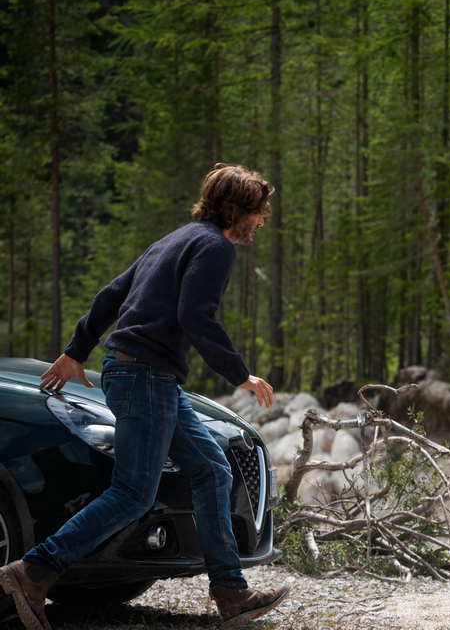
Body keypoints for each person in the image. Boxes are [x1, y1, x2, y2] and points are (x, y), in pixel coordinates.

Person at [0, 164, 290, 630]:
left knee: (212, 470)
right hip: (146, 377)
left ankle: (231, 592)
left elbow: (111, 294)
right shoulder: (213, 247)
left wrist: (77, 351)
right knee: (134, 492)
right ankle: (32, 571)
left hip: (143, 376)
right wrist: (240, 374)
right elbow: (197, 316)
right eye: (259, 211)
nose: (263, 219)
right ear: (237, 209)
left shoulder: (174, 240)